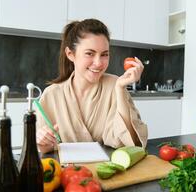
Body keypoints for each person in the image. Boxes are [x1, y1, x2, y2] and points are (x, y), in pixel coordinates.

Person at [36, 18, 148, 153]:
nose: (98, 63)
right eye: (90, 53)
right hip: (68, 172)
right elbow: (43, 148)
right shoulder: (51, 94)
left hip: (108, 171)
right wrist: (43, 141)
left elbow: (130, 143)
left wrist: (120, 89)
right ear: (70, 54)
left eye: (104, 54)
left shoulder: (115, 85)